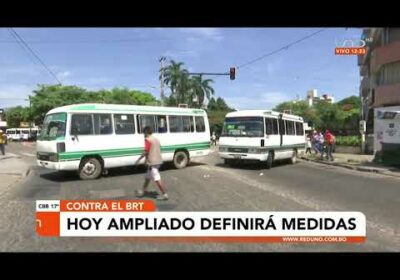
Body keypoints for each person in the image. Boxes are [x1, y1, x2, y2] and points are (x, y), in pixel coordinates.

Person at [135, 126, 168, 200]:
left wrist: (138, 160)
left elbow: (146, 152)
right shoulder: (156, 139)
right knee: (147, 177)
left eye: (144, 133)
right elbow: (158, 148)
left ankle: (165, 194)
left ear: (146, 132)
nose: (143, 134)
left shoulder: (148, 140)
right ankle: (142, 191)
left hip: (153, 163)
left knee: (157, 178)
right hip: (158, 161)